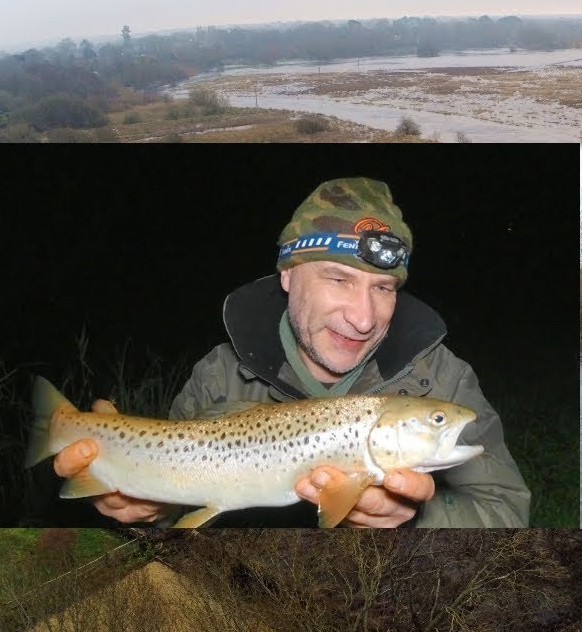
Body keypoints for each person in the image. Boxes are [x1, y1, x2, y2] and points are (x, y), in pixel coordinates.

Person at [53, 177, 530, 527]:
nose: (363, 318)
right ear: (288, 275)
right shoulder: (219, 375)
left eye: (382, 288)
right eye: (338, 279)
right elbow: (177, 514)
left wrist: (415, 520)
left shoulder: (442, 378)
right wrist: (147, 509)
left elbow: (508, 511)